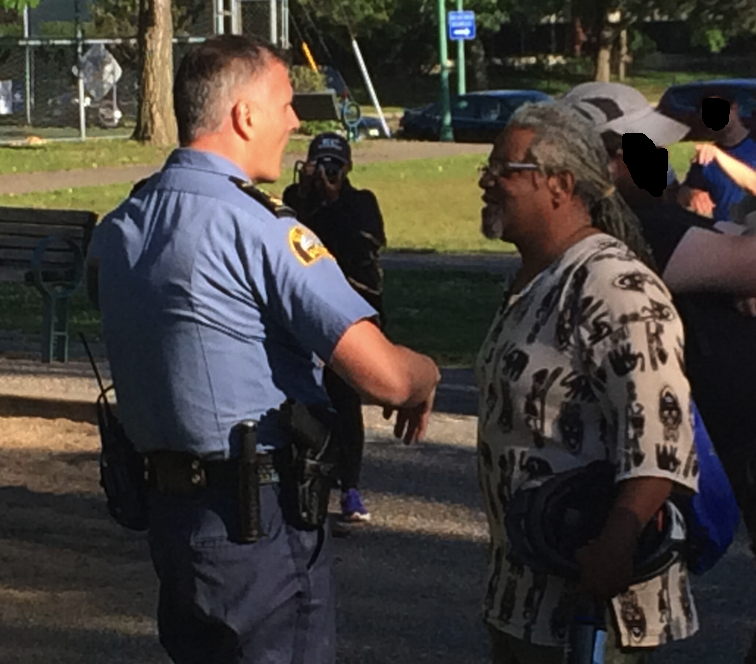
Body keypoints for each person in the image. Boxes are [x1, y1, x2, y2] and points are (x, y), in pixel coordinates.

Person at [86, 34, 440, 664]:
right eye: (285, 103)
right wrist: (428, 373)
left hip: (172, 520)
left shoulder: (122, 224)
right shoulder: (261, 228)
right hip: (257, 526)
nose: (296, 121)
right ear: (244, 116)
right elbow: (381, 377)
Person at [476, 101, 698, 664]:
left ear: (560, 184)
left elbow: (660, 439)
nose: (488, 180)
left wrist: (617, 542)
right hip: (524, 601)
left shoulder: (615, 286)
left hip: (591, 612)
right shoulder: (536, 279)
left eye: (506, 169)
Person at [562, 81, 756, 663]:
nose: (663, 158)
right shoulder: (647, 235)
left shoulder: (638, 226)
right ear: (609, 162)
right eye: (646, 147)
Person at [282, 132, 386, 523]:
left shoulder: (361, 202)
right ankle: (307, 482)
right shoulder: (294, 200)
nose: (328, 173)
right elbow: (292, 243)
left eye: (335, 166)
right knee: (303, 400)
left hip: (348, 309)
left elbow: (363, 247)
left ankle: (351, 487)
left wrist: (335, 200)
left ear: (348, 168)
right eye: (320, 164)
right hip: (306, 309)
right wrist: (311, 198)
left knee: (345, 401)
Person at [677, 88, 756, 221]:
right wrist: (691, 194)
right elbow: (682, 193)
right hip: (725, 233)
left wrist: (718, 155)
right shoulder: (705, 157)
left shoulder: (753, 142)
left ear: (734, 108)